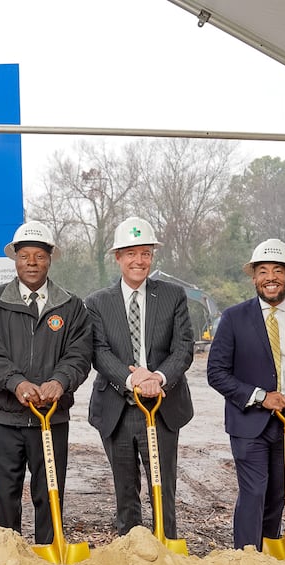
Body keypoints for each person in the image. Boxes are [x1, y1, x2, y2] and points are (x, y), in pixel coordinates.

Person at [0, 221, 92, 544]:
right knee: (4, 497)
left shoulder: (71, 306)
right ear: (15, 258)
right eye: (24, 256)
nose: (32, 263)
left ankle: (49, 563)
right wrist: (17, 383)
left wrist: (60, 381)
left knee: (50, 494)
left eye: (39, 255)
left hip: (51, 421)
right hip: (4, 419)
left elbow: (79, 354)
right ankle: (8, 559)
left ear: (50, 258)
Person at [206, 238, 285, 550]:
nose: (270, 277)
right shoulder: (234, 319)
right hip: (249, 422)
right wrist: (261, 396)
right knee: (254, 491)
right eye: (263, 271)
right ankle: (247, 557)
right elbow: (217, 373)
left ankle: (270, 553)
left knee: (278, 492)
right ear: (254, 278)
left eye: (277, 270)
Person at [85, 217, 194, 537]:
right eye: (131, 253)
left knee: (163, 490)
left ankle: (166, 548)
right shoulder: (97, 302)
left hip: (163, 407)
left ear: (152, 256)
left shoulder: (173, 296)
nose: (139, 260)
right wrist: (133, 380)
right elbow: (99, 352)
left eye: (145, 253)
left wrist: (157, 378)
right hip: (116, 409)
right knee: (125, 491)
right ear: (117, 257)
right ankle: (131, 555)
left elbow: (184, 347)